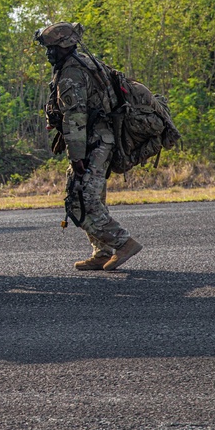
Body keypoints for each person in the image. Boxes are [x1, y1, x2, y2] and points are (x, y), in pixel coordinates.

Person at [35, 22, 143, 271]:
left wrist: (76, 155)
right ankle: (101, 252)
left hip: (92, 143)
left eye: (53, 48)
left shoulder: (72, 72)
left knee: (81, 200)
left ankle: (123, 242)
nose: (49, 54)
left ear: (65, 46)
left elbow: (75, 116)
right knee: (92, 197)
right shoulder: (86, 62)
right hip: (100, 139)